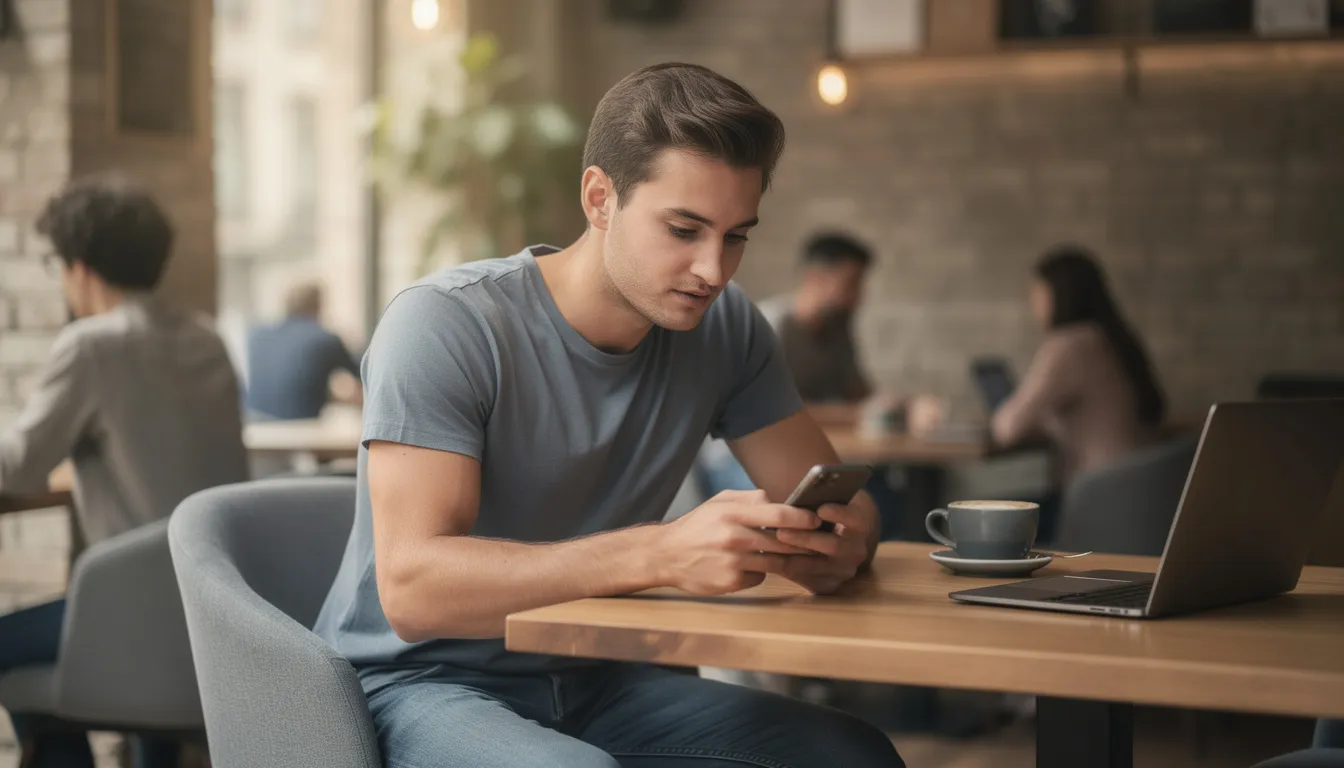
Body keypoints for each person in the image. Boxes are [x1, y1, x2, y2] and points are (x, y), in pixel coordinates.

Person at [313, 63, 904, 768]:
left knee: (852, 755)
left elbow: (838, 497)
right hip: (418, 682)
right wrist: (661, 551)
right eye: (684, 229)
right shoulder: (445, 325)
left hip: (599, 673)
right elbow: (414, 589)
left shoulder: (727, 329)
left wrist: (841, 543)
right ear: (600, 198)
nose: (713, 271)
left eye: (736, 236)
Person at [0, 177, 249, 767]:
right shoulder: (206, 338)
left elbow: (17, 466)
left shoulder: (91, 347)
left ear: (79, 268)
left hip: (133, 621)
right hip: (221, 609)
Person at [992, 245, 1167, 486]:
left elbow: (1008, 428)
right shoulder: (1113, 339)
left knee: (991, 513)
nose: (1032, 302)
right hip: (1139, 490)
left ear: (1058, 294)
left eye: (1037, 292)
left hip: (1097, 494)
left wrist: (997, 416)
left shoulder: (1069, 346)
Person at [244, 281, 362, 420]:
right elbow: (365, 374)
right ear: (318, 306)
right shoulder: (324, 338)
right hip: (299, 430)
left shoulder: (258, 334)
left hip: (254, 427)